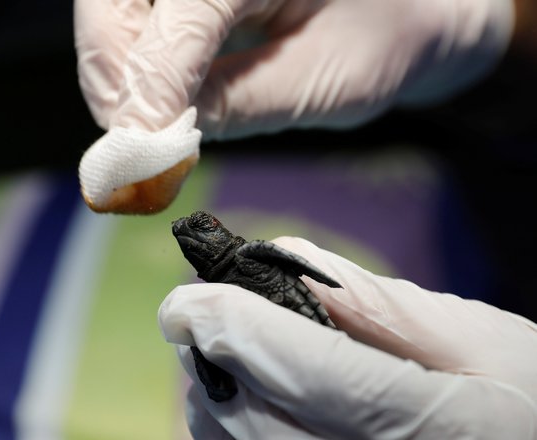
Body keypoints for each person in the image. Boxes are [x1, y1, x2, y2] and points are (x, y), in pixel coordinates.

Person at [74, 0, 537, 437]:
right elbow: (219, 336)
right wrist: (501, 27)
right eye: (188, 235)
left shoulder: (249, 258)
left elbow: (294, 275)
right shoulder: (213, 294)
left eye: (202, 226)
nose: (187, 232)